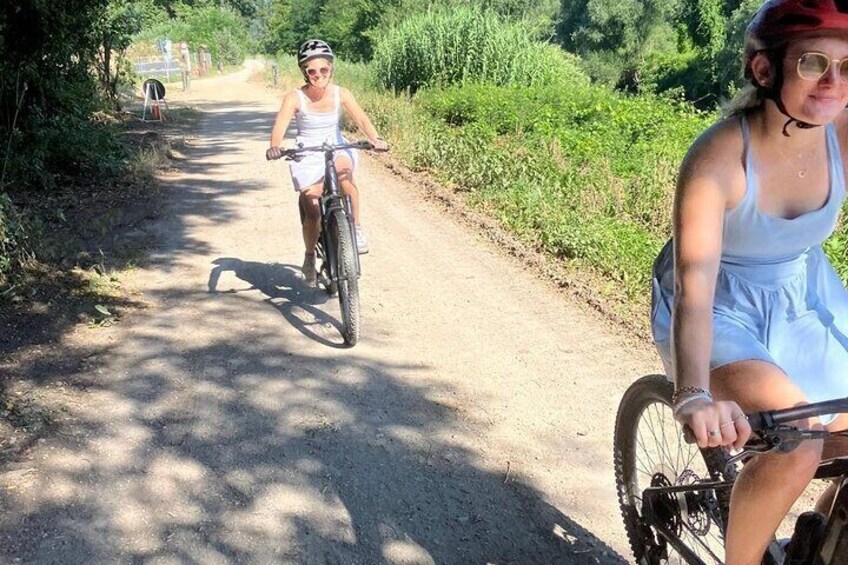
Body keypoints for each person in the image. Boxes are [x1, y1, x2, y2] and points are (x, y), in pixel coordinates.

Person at [650, 1, 848, 562]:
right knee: (799, 442)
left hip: (803, 293)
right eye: (814, 63)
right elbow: (695, 284)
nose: (834, 83)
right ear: (765, 71)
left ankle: (821, 536)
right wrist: (692, 395)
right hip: (719, 306)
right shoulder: (719, 158)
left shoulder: (843, 135)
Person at [267, 39, 388, 285]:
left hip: (335, 145)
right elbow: (279, 126)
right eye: (312, 71)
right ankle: (310, 255)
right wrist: (275, 146)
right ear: (304, 71)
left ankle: (355, 228)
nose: (318, 75)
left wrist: (375, 139)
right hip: (308, 151)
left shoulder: (341, 93)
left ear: (331, 68)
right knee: (311, 204)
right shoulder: (295, 97)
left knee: (345, 177)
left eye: (324, 69)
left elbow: (362, 120)